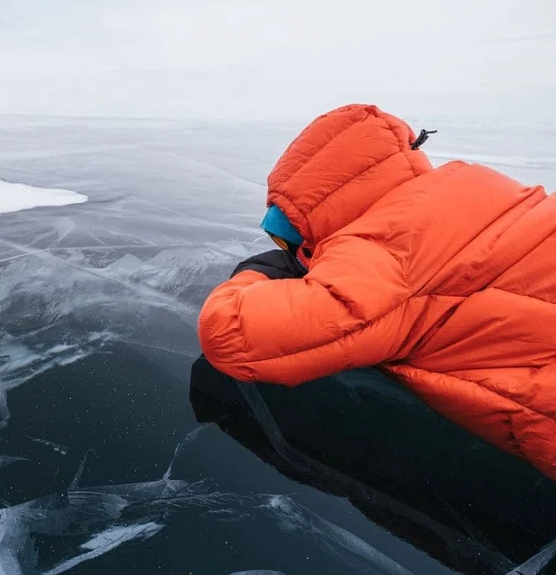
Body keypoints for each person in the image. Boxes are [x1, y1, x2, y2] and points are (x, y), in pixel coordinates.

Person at [197, 103, 556, 480]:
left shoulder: (381, 246)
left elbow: (231, 335)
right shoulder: (480, 187)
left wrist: (260, 272)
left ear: (320, 207)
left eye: (287, 235)